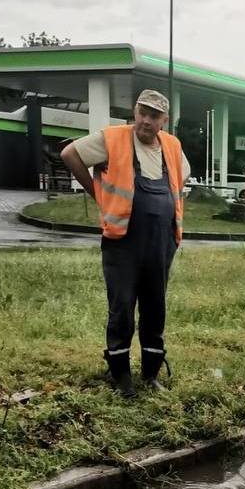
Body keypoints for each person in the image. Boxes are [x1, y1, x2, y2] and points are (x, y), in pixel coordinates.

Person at [60, 89, 191, 396]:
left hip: (161, 242)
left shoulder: (171, 145)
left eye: (154, 116)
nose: (146, 121)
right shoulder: (113, 138)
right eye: (142, 113)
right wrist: (98, 192)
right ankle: (121, 376)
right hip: (122, 242)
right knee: (121, 308)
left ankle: (151, 374)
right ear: (135, 112)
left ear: (164, 121)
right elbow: (70, 155)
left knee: (155, 308)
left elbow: (181, 176)